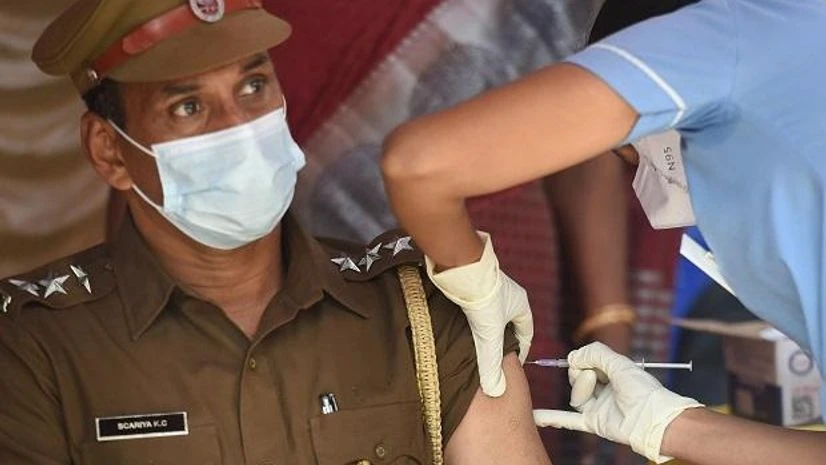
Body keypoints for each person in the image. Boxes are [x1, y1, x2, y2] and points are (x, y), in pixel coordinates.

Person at [0, 1, 551, 464]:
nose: (238, 125)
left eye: (254, 85)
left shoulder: (420, 308)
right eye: (189, 106)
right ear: (109, 150)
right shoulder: (33, 348)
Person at [380, 0, 826, 464]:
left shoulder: (731, 33)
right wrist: (673, 426)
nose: (645, 186)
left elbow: (417, 165)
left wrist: (473, 281)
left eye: (629, 155)